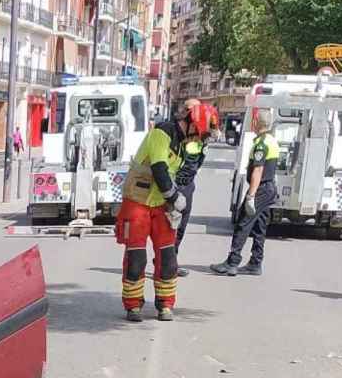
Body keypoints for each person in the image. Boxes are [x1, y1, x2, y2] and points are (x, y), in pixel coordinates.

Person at [116, 102, 218, 322]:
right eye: (200, 135)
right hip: (138, 202)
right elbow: (160, 169)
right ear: (193, 125)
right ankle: (133, 305)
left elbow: (178, 174)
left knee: (169, 257)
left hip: (161, 205)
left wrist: (174, 201)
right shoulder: (162, 133)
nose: (199, 140)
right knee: (136, 258)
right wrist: (174, 197)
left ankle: (165, 304)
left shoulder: (183, 143)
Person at [211, 108, 279, 276]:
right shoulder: (272, 140)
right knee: (260, 226)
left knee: (243, 222)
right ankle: (256, 262)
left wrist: (250, 195)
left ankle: (232, 262)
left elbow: (257, 170)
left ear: (256, 122)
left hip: (261, 189)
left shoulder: (261, 144)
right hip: (269, 188)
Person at [174, 99, 219, 277]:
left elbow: (198, 162)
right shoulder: (177, 133)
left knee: (182, 226)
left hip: (188, 185)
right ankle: (167, 263)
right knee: (171, 226)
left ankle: (170, 260)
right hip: (176, 184)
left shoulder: (200, 137)